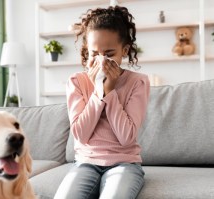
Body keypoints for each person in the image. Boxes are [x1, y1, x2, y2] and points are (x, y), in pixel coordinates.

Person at [54, 5, 150, 199]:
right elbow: (81, 134)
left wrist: (110, 91)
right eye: (94, 54)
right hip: (85, 163)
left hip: (124, 163)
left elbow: (126, 137)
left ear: (124, 50)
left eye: (109, 54)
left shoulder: (138, 82)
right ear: (86, 52)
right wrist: (99, 92)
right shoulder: (77, 81)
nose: (101, 61)